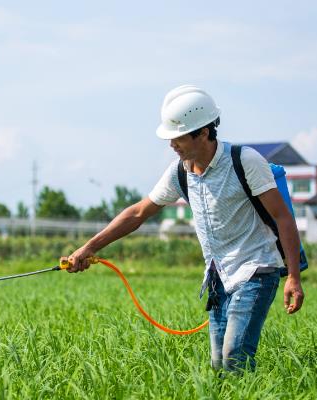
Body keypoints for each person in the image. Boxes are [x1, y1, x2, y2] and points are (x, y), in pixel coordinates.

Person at [61, 85, 304, 371]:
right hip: (218, 277)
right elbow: (138, 213)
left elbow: (283, 218)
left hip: (256, 269)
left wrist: (293, 278)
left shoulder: (245, 161)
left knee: (234, 360)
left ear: (203, 132)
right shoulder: (179, 172)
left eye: (177, 137)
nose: (171, 144)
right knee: (218, 367)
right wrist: (89, 248)